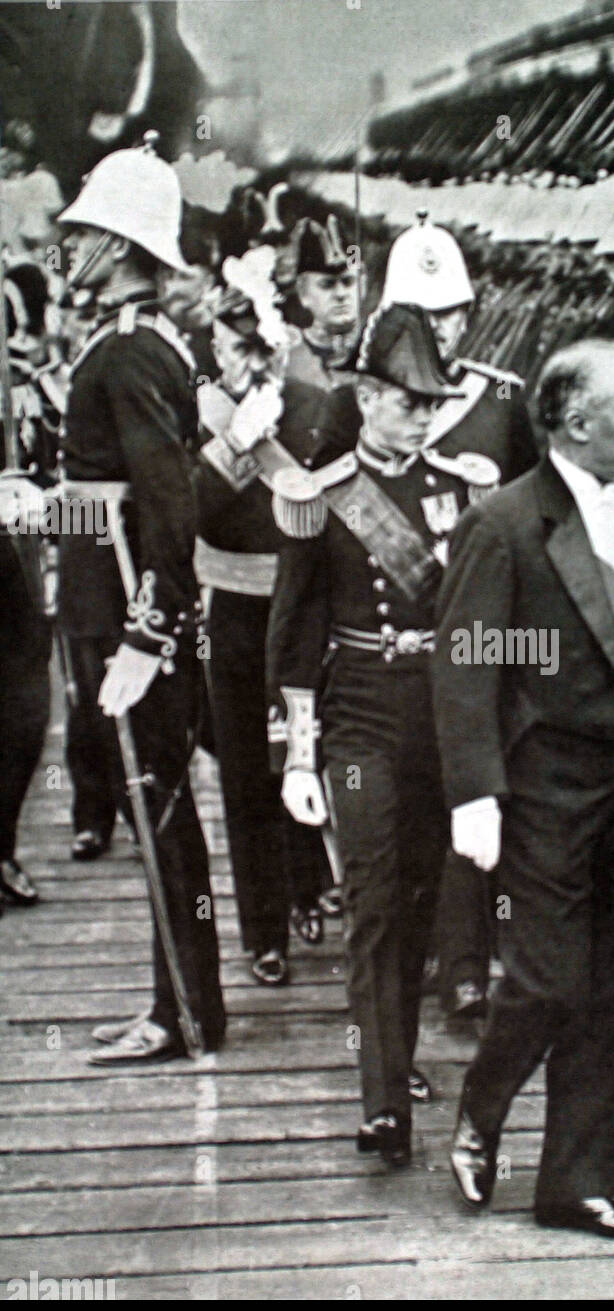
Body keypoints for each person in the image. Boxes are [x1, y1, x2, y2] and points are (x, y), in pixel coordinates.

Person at [433, 338, 614, 1238]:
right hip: (546, 791)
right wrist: (474, 793)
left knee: (613, 986)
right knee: (548, 980)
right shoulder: (505, 523)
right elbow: (465, 663)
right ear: (578, 423)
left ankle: (577, 1183)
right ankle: (482, 1105)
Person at [268, 302, 496, 1165]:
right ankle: (383, 1101)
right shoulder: (320, 499)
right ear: (364, 397)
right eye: (406, 401)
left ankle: (402, 1066)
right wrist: (298, 748)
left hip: (445, 715)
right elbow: (293, 633)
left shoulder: (463, 484)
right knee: (371, 901)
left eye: (431, 402)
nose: (420, 416)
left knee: (422, 903)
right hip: (360, 713)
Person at [54, 138, 225, 1066]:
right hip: (108, 588)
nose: (71, 246)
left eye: (86, 232)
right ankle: (181, 1001)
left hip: (129, 605)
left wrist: (146, 634)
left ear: (120, 245)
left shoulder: (127, 352)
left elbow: (168, 500)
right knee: (154, 805)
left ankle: (186, 1015)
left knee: (155, 806)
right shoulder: (138, 344)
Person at [382, 214, 539, 1019]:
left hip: (481, 630)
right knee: (412, 802)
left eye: (452, 315)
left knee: (476, 784)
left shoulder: (503, 400)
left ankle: (470, 961)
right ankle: (423, 957)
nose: (442, 332)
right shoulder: (366, 402)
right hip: (398, 637)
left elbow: (542, 509)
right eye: (423, 315)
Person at [194, 247, 358, 985]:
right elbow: (192, 507)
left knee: (302, 750)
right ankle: (263, 930)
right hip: (230, 607)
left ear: (272, 346)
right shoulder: (204, 408)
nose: (231, 365)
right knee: (241, 769)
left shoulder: (314, 404)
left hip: (299, 615)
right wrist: (231, 441)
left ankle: (305, 887)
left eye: (245, 349)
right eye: (223, 350)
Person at [0, 261, 58, 907]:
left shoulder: (28, 392)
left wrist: (39, 503)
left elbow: (68, 495)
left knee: (24, 710)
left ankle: (4, 844)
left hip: (16, 566)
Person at [285, 216, 364, 392]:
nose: (341, 294)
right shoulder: (287, 359)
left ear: (362, 286)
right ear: (303, 292)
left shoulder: (381, 347)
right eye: (327, 285)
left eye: (348, 282)